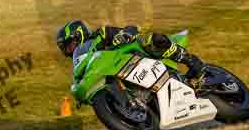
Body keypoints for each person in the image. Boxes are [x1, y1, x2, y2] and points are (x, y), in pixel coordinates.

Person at [55, 20, 206, 83]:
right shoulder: (85, 61)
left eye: (70, 45)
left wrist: (124, 35)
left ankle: (192, 62)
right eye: (66, 50)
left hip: (136, 57)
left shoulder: (100, 35)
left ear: (79, 35)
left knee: (151, 40)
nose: (70, 51)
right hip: (122, 74)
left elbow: (130, 29)